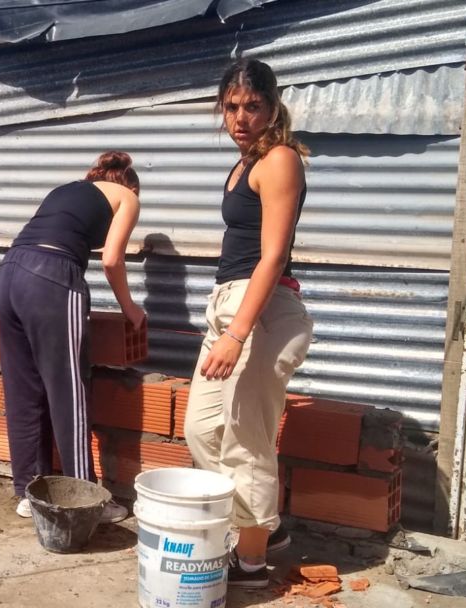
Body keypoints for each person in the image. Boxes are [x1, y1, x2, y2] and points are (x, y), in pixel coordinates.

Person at [182, 58, 315, 588]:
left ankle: (253, 565)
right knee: (200, 429)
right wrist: (224, 322)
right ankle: (265, 529)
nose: (240, 117)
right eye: (232, 106)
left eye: (252, 106)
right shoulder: (243, 164)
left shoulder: (279, 159)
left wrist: (237, 332)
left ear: (272, 107)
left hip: (263, 312)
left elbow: (273, 256)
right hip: (231, 306)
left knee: (245, 439)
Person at [0, 151, 146, 524]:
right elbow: (112, 259)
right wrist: (131, 309)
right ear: (128, 184)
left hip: (10, 272)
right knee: (69, 392)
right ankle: (85, 499)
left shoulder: (69, 190)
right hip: (51, 276)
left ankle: (29, 493)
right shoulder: (127, 196)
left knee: (24, 390)